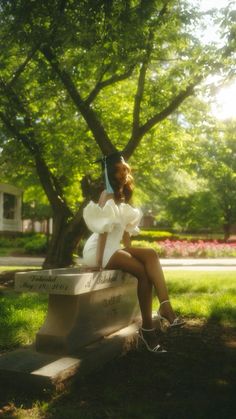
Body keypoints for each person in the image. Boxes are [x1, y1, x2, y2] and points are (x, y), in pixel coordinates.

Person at [82, 152, 184, 353]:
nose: (122, 173)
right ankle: (153, 326)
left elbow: (125, 232)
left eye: (124, 169)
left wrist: (131, 251)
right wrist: (100, 264)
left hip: (114, 248)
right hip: (98, 250)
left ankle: (161, 311)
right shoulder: (107, 194)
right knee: (142, 272)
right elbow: (103, 230)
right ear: (110, 172)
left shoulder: (123, 196)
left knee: (151, 255)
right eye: (118, 170)